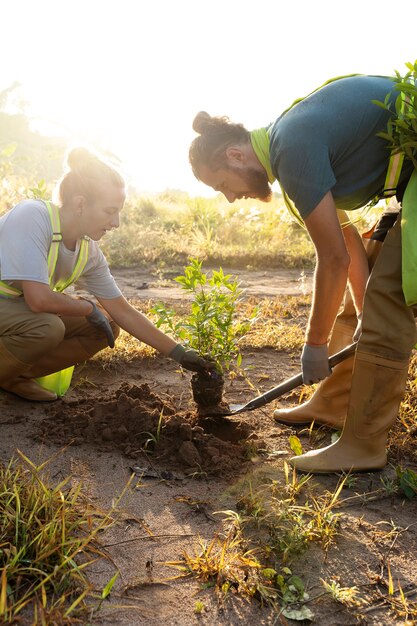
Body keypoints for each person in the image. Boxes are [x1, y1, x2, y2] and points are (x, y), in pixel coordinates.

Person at [188, 73, 417, 473]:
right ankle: (332, 404)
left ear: (236, 156)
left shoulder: (292, 146)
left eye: (223, 184)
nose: (230, 198)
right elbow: (347, 246)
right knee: (363, 295)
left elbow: (331, 261)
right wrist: (362, 312)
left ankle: (363, 446)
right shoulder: (286, 141)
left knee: (387, 304)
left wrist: (315, 345)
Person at [0, 148, 212, 402]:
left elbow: (123, 311)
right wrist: (88, 308)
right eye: (110, 211)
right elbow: (39, 300)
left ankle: (13, 375)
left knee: (106, 326)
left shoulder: (88, 252)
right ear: (80, 203)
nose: (116, 223)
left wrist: (179, 353)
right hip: (14, 307)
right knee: (49, 327)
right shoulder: (33, 216)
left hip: (13, 311)